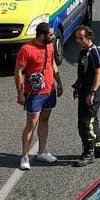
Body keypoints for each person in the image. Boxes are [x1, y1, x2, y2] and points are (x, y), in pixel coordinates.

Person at [15, 22, 62, 170]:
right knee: (31, 123)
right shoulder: (26, 49)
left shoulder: (49, 46)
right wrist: (20, 93)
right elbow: (19, 72)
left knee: (45, 119)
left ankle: (41, 152)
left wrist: (59, 83)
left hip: (49, 90)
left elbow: (53, 64)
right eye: (50, 34)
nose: (53, 36)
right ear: (41, 35)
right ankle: (24, 156)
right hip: (34, 93)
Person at [71, 24, 100, 167]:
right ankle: (98, 148)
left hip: (92, 93)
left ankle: (88, 153)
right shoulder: (83, 51)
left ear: (89, 37)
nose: (78, 41)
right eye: (77, 38)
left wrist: (92, 92)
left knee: (85, 123)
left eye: (81, 38)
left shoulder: (94, 51)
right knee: (93, 120)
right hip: (84, 91)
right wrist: (77, 87)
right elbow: (83, 73)